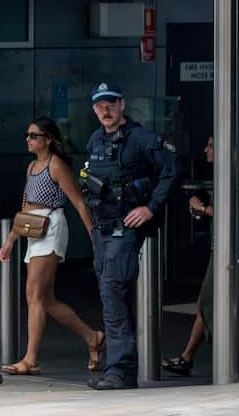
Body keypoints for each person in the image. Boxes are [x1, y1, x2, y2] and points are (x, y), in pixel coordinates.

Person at [81, 82, 182, 391]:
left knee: (112, 292)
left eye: (110, 104)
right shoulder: (96, 139)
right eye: (99, 105)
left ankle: (120, 371)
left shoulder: (141, 138)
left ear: (122, 105)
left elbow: (173, 169)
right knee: (109, 294)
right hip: (103, 228)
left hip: (125, 229)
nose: (105, 110)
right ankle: (121, 369)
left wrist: (150, 208)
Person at [0, 117, 104, 377]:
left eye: (34, 135)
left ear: (48, 139)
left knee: (34, 293)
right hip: (33, 229)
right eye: (28, 134)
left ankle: (31, 359)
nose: (28, 139)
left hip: (51, 227)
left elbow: (79, 202)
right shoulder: (32, 167)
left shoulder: (56, 165)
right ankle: (92, 336)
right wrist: (11, 238)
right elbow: (26, 207)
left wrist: (94, 237)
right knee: (45, 299)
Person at [163, 136, 214, 377]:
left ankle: (189, 356)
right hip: (222, 248)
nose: (206, 149)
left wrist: (202, 208)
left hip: (234, 252)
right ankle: (187, 357)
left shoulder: (234, 173)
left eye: (211, 145)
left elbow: (233, 207)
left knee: (208, 301)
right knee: (207, 301)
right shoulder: (221, 174)